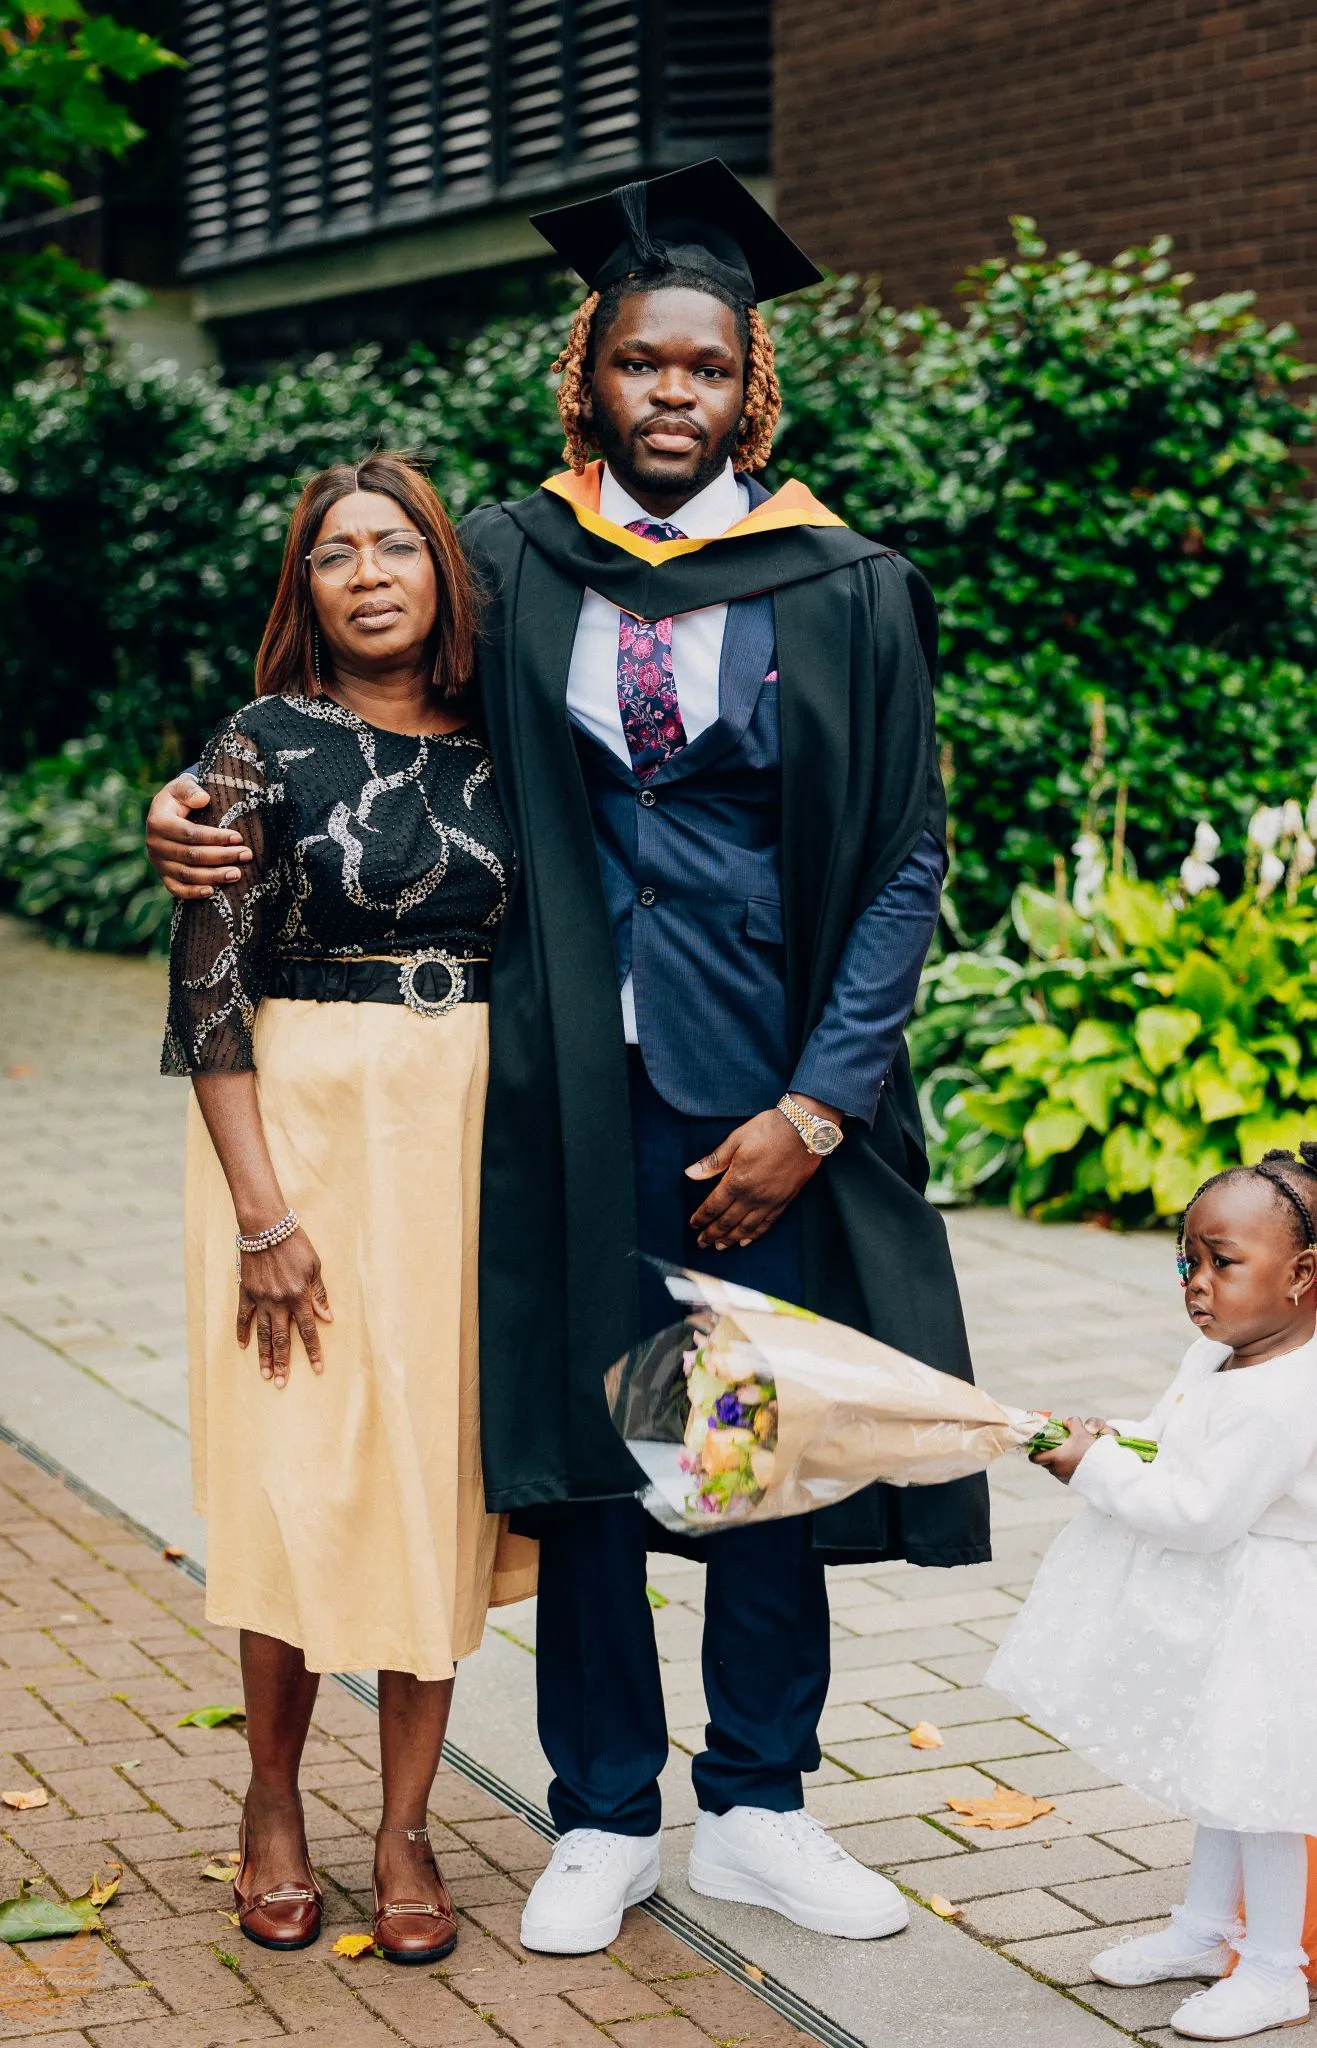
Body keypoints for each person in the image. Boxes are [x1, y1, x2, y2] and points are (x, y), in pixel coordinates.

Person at [146, 159, 989, 1957]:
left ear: (749, 388)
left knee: (752, 1437)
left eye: (704, 367)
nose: (669, 393)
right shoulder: (513, 562)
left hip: (762, 1086)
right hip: (547, 1082)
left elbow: (904, 858)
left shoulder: (847, 583)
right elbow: (360, 703)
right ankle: (603, 1809)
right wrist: (197, 806)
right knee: (587, 1444)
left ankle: (757, 1800)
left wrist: (817, 1103)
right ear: (587, 377)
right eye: (637, 362)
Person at [162, 453, 535, 1962]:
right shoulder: (260, 744)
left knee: (437, 1474)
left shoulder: (511, 739)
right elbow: (207, 994)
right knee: (299, 1469)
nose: (370, 575)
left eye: (397, 547)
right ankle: (271, 1799)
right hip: (303, 1129)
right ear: (303, 589)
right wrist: (263, 1218)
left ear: (446, 570)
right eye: (336, 554)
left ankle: (406, 1823)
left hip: (469, 1135)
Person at [989, 1149, 1317, 2042]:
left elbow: (1201, 1512)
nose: (1197, 1284)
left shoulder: (1287, 1395)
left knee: (1261, 1796)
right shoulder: (1221, 1355)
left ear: (1300, 1274)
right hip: (1230, 1610)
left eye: (1222, 1262)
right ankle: (1206, 1929)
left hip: (1275, 1620)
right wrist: (1117, 1439)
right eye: (1186, 1262)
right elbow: (1179, 1445)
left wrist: (1090, 1468)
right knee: (1223, 1778)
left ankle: (1273, 1970)